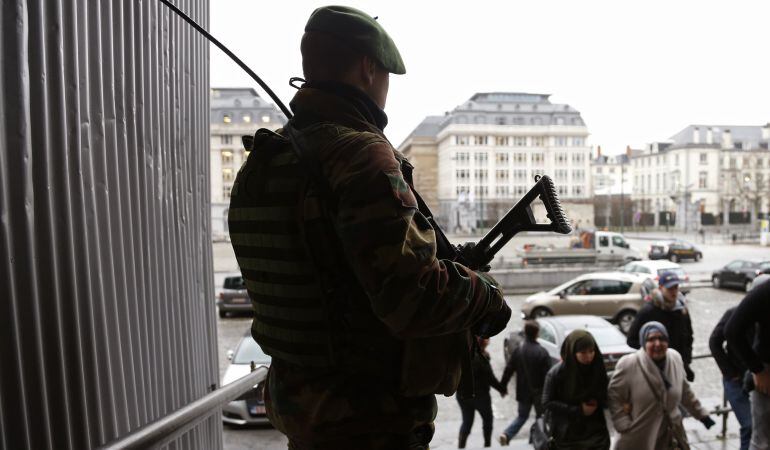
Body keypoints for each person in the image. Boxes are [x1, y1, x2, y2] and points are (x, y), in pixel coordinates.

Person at [227, 6, 511, 449]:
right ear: (367, 68)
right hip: (369, 420)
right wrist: (485, 294)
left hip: (305, 415)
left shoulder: (263, 163)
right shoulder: (359, 155)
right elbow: (411, 297)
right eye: (386, 77)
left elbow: (323, 274)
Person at [609, 322, 714, 450]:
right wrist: (622, 423)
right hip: (640, 436)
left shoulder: (675, 358)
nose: (657, 344)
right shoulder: (629, 364)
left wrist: (701, 414)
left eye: (662, 338)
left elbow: (684, 391)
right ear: (643, 342)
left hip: (671, 434)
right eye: (651, 339)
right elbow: (614, 395)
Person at [542, 330, 611, 449]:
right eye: (583, 352)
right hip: (567, 434)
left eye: (591, 351)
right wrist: (578, 410)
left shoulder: (596, 368)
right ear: (573, 352)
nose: (589, 357)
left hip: (596, 432)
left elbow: (605, 392)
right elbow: (547, 402)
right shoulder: (556, 374)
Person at [627, 270, 695, 381]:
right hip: (654, 370)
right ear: (660, 288)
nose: (673, 292)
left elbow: (689, 337)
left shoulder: (682, 310)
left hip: (678, 368)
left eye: (676, 287)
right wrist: (653, 353)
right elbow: (631, 340)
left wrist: (686, 361)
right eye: (669, 288)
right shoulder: (648, 311)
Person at [726, 280, 770, 450]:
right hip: (767, 376)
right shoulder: (765, 291)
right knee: (763, 442)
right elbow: (731, 330)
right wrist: (757, 369)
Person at [498, 320, 553, 446]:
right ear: (537, 334)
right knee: (541, 418)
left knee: (522, 416)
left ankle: (507, 434)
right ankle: (536, 440)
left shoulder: (518, 350)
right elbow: (549, 376)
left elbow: (508, 370)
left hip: (523, 391)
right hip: (539, 393)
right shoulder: (542, 352)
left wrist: (503, 386)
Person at [710, 307, 753, 450]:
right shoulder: (734, 313)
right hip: (737, 381)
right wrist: (730, 372)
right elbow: (714, 341)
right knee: (749, 425)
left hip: (758, 380)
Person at [456, 337, 506, 448]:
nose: (489, 340)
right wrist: (502, 389)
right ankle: (487, 445)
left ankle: (461, 446)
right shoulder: (481, 358)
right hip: (480, 396)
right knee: (488, 421)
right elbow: (490, 378)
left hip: (463, 395)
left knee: (467, 421)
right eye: (487, 339)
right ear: (483, 342)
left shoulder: (463, 355)